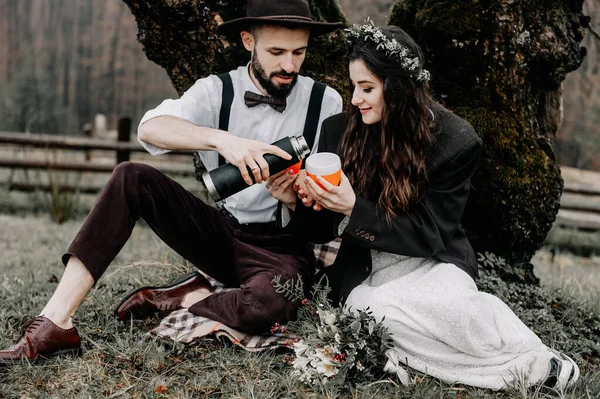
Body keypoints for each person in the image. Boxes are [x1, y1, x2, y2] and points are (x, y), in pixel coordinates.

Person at [0, 0, 343, 365]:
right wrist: (221, 140)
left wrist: (294, 200)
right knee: (130, 176)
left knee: (269, 306)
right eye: (276, 52)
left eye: (299, 52)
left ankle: (191, 297)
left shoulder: (326, 102)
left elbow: (325, 221)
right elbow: (150, 128)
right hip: (222, 234)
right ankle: (56, 322)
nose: (289, 65)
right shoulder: (216, 91)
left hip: (282, 247)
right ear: (247, 41)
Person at [285, 21, 580, 391]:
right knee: (381, 316)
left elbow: (430, 235)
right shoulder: (337, 131)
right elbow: (314, 232)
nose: (356, 99)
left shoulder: (455, 141)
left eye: (367, 88)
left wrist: (352, 207)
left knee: (461, 311)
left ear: (398, 89)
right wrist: (295, 200)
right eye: (353, 86)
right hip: (363, 268)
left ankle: (536, 357)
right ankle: (525, 371)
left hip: (431, 259)